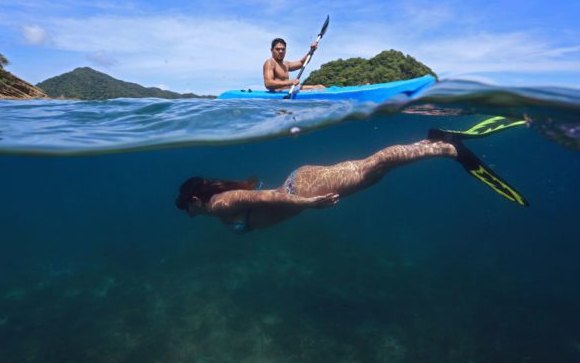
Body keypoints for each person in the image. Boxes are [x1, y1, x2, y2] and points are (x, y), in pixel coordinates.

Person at [176, 117, 529, 233]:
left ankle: (444, 147)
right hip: (301, 183)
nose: (189, 215)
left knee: (372, 166)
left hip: (302, 187)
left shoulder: (221, 204)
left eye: (186, 209)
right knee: (372, 171)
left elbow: (267, 198)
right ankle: (433, 143)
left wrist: (308, 204)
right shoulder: (218, 208)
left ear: (195, 200)